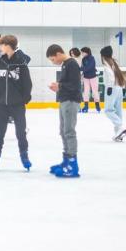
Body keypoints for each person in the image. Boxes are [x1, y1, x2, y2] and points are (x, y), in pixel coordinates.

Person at [0, 35, 32, 171]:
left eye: (2, 45)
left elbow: (27, 83)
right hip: (0, 104)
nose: (0, 47)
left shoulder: (21, 63)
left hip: (17, 105)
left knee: (20, 132)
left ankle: (24, 155)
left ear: (7, 46)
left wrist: (24, 99)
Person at [47, 44, 81, 178]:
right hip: (64, 101)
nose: (53, 62)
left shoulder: (72, 64)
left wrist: (59, 86)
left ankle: (73, 164)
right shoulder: (66, 64)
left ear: (58, 54)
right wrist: (58, 87)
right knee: (63, 131)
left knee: (69, 131)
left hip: (71, 101)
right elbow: (68, 84)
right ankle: (66, 160)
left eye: (52, 59)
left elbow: (74, 85)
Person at [101, 46, 126, 142]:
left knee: (108, 110)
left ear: (103, 55)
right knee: (118, 110)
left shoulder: (106, 65)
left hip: (112, 88)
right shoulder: (114, 63)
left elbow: (111, 77)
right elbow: (122, 76)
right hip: (119, 88)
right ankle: (118, 133)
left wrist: (109, 87)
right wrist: (123, 87)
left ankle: (120, 128)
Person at [79, 47, 100, 113]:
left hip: (93, 77)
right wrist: (81, 71)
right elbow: (84, 67)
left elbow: (89, 67)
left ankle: (97, 105)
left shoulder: (92, 58)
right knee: (86, 92)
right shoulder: (83, 59)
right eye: (81, 52)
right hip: (86, 78)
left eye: (83, 52)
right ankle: (86, 106)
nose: (81, 53)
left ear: (87, 52)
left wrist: (80, 69)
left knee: (95, 92)